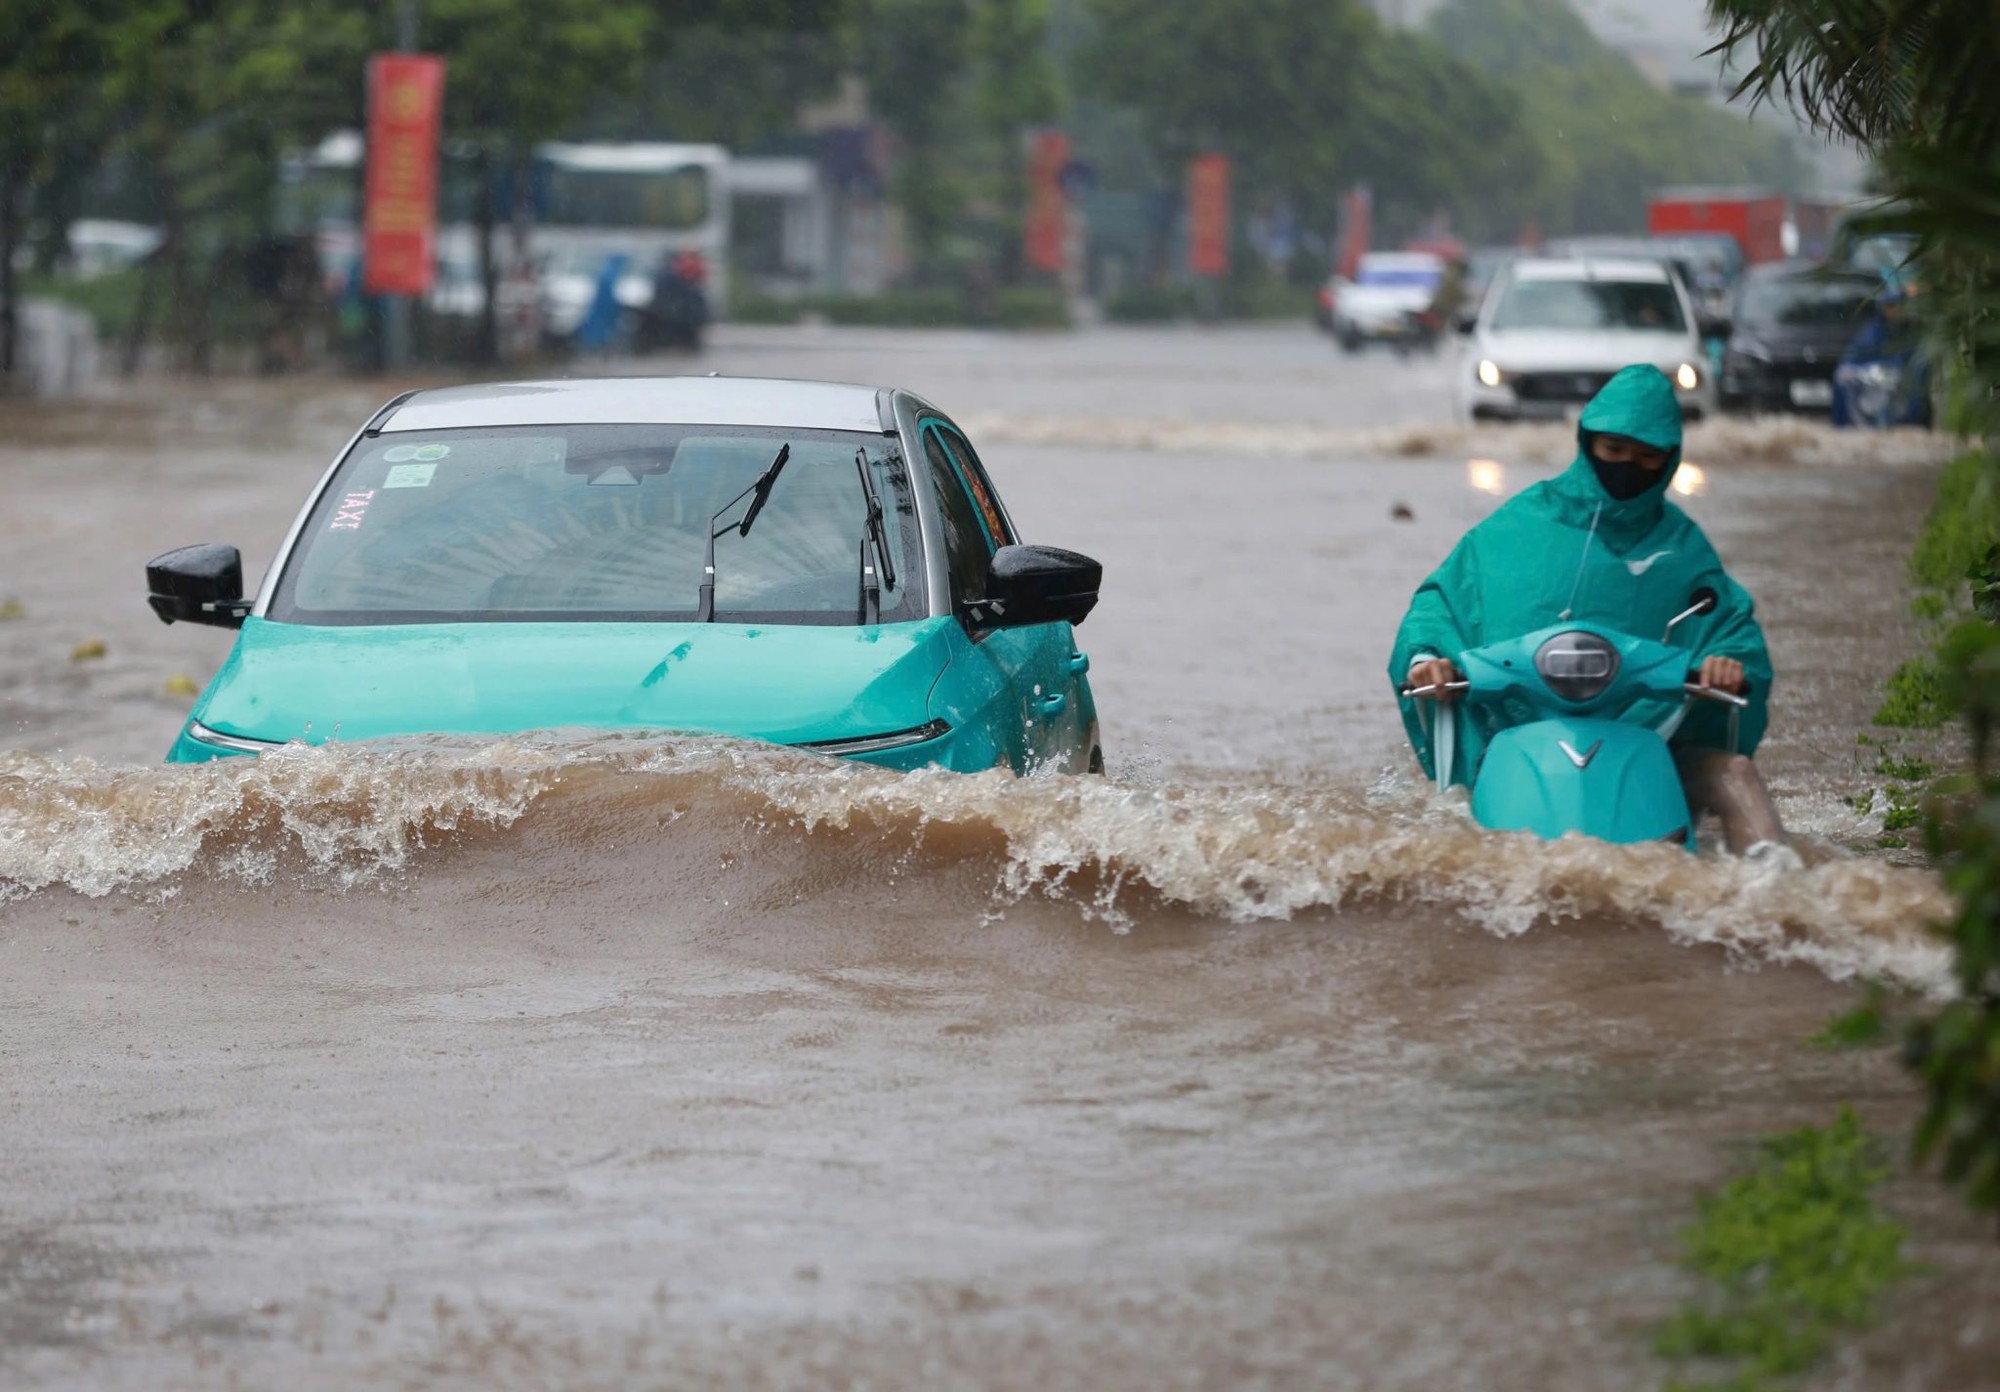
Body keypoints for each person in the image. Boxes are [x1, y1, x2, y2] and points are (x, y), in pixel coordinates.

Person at [1390, 364, 1789, 855]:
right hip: (1511, 734)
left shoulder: (1682, 548)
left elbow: (1728, 624)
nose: (1626, 466)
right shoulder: (1520, 523)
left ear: (1668, 461)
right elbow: (1440, 601)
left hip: (1654, 742)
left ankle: (1779, 896)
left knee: (1736, 775)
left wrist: (1727, 665)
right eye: (1615, 451)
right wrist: (1426, 657)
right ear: (1588, 443)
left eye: (1645, 457)